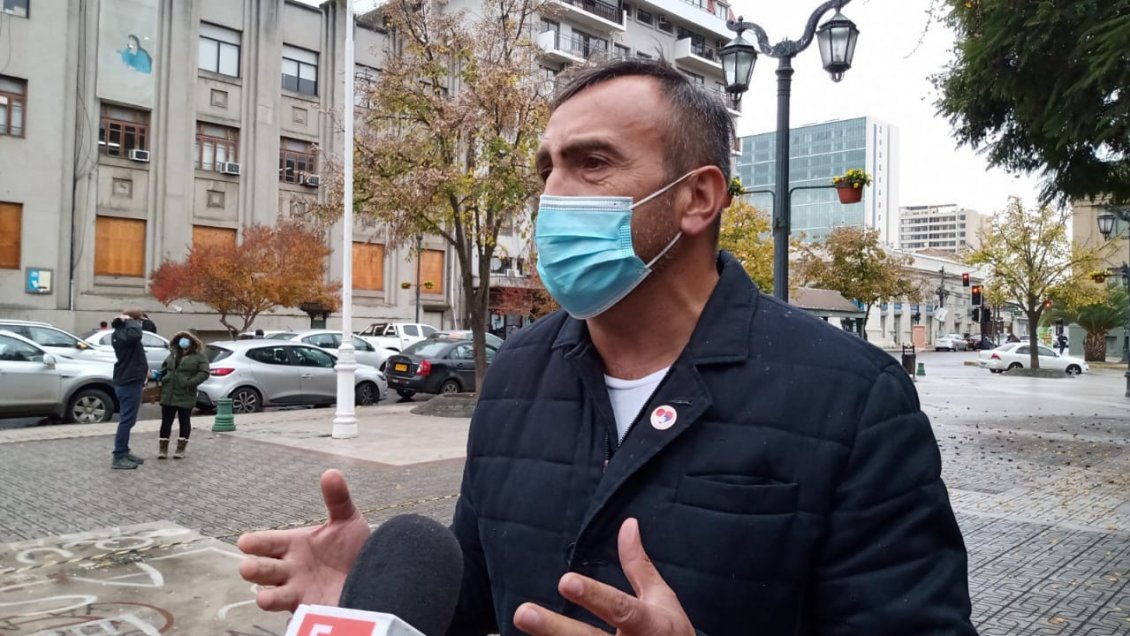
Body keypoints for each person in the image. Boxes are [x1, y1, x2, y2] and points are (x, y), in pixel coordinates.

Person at [237, 59, 975, 634]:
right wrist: (378, 589)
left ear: (697, 198)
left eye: (591, 163)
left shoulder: (852, 396)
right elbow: (488, 593)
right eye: (547, 168)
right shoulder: (519, 370)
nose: (553, 195)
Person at [153, 331, 209, 459]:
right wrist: (159, 376)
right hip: (169, 393)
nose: (183, 342)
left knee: (184, 421)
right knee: (166, 422)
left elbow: (204, 372)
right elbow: (164, 368)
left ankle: (180, 449)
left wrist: (190, 382)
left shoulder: (199, 356)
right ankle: (163, 450)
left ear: (192, 342)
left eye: (186, 339)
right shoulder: (173, 354)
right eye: (181, 339)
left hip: (186, 393)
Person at [110, 309, 148, 470]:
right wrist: (130, 320)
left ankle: (124, 452)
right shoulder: (124, 334)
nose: (140, 324)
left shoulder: (122, 333)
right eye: (139, 321)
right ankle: (119, 455)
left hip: (130, 380)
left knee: (128, 420)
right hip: (128, 382)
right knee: (127, 420)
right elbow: (136, 335)